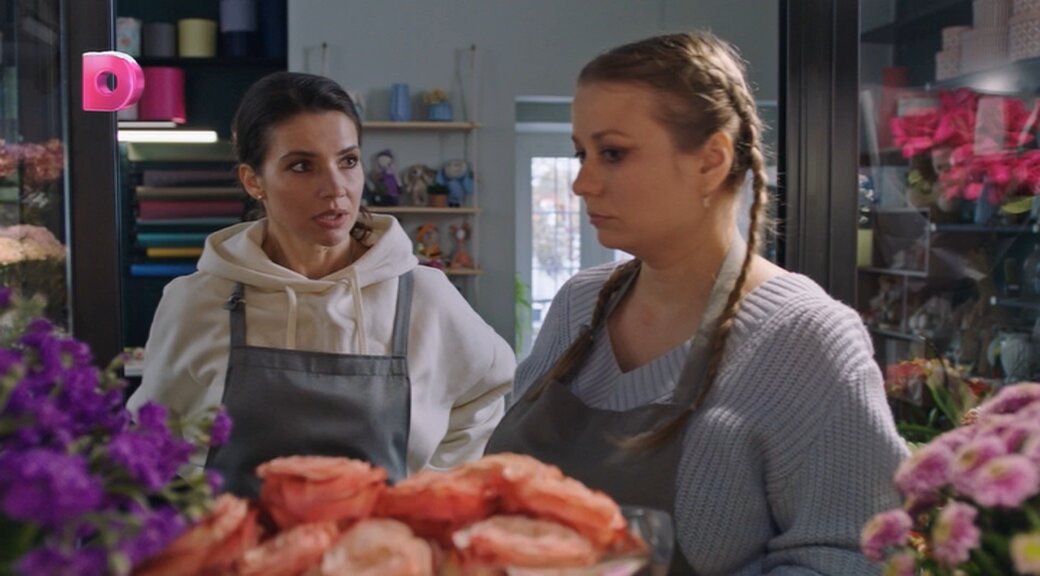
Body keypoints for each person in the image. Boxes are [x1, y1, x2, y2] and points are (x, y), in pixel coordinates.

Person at [485, 32, 908, 575]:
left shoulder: (806, 338)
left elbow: (854, 559)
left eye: (612, 153)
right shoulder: (579, 306)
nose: (582, 183)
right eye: (581, 153)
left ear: (711, 160)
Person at [128, 71, 515, 497]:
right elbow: (158, 435)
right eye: (301, 166)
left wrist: (428, 493)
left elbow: (483, 399)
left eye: (348, 161)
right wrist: (210, 509)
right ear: (253, 181)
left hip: (382, 539)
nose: (336, 189)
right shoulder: (200, 300)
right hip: (244, 540)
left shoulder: (422, 296)